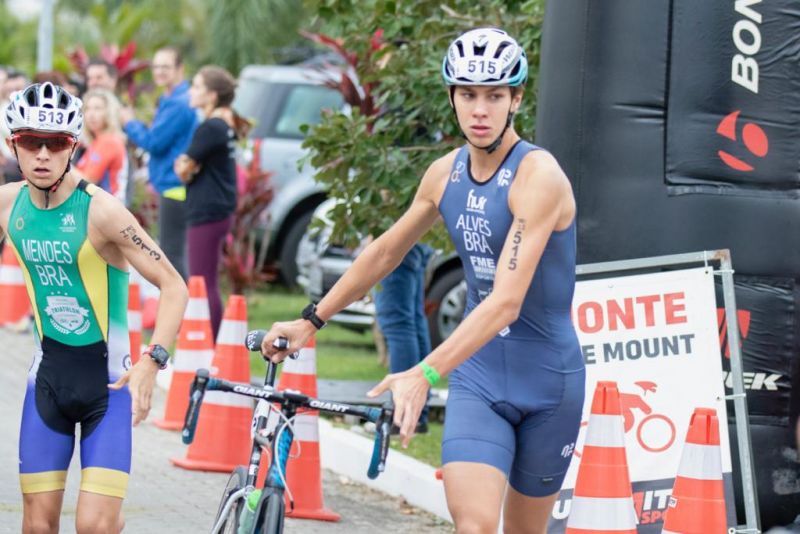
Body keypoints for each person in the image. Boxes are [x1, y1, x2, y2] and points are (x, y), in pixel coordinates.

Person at [260, 28, 584, 533]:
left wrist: (424, 373)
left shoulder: (537, 177)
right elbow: (385, 251)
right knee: (473, 525)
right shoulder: (444, 173)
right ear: (452, 97)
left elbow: (505, 303)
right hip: (480, 378)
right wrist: (312, 320)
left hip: (549, 381)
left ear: (516, 99)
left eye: (495, 96)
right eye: (469, 95)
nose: (480, 110)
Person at [0, 82, 188, 532]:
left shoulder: (102, 211)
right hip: (46, 380)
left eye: (55, 143)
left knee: (94, 527)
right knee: (37, 526)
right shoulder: (8, 203)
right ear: (14, 145)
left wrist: (152, 362)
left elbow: (174, 286)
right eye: (30, 142)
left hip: (110, 386)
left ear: (73, 147)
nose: (42, 154)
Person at [174, 65, 243, 339]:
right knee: (207, 280)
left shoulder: (211, 126)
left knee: (201, 282)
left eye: (197, 86)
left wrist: (186, 166)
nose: (192, 91)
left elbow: (182, 167)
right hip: (218, 208)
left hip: (207, 209)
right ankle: (211, 340)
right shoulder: (224, 124)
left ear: (212, 95)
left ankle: (209, 341)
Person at [121, 46, 197, 280]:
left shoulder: (178, 103)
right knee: (174, 251)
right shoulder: (172, 99)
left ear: (179, 69)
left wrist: (130, 123)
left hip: (175, 185)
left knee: (172, 256)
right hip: (173, 183)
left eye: (166, 66)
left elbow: (154, 142)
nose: (160, 71)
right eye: (156, 66)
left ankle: (183, 312)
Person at [372, 242, 433, 434]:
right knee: (412, 322)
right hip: (418, 241)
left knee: (398, 323)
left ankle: (403, 415)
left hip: (398, 236)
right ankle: (415, 413)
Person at [73, 89, 129, 202]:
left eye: (97, 108)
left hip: (108, 210)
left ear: (109, 112)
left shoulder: (108, 141)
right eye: (87, 109)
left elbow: (86, 181)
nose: (91, 114)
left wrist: (61, 164)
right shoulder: (97, 141)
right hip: (103, 207)